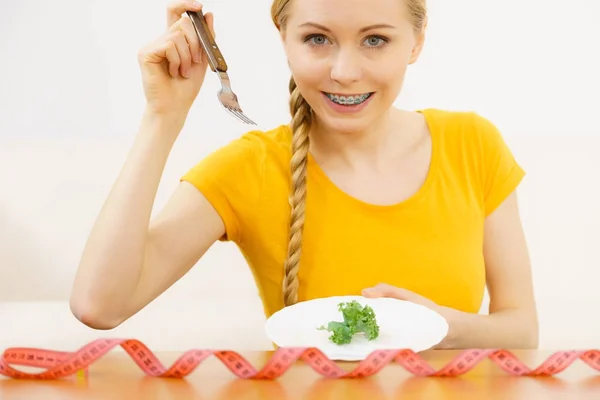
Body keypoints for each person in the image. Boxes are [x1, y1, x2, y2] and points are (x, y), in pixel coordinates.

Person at [69, 0, 539, 349]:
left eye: (376, 39)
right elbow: (99, 306)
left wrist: (438, 328)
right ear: (284, 39)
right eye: (317, 39)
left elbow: (521, 328)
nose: (345, 71)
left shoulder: (472, 144)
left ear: (416, 42)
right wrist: (163, 116)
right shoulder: (250, 168)